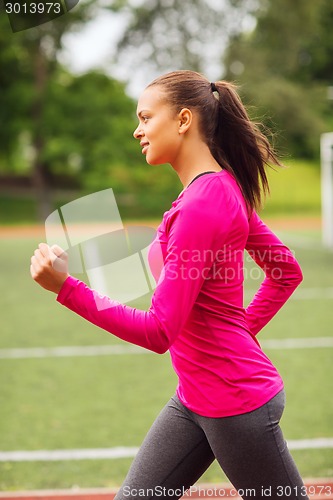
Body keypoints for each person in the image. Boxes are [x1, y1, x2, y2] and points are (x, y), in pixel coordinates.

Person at [30, 70, 308, 499]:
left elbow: (159, 331)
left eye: (145, 117)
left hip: (236, 405)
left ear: (182, 120)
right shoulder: (218, 190)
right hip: (195, 398)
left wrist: (67, 288)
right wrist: (236, 336)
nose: (137, 130)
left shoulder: (203, 205)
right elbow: (286, 272)